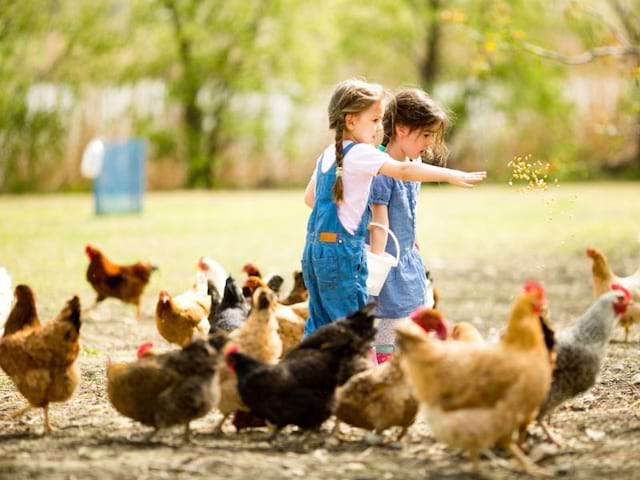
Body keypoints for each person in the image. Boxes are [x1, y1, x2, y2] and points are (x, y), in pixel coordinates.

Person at [301, 79, 486, 339]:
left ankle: (305, 373)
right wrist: (451, 175)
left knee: (318, 327)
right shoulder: (362, 153)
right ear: (351, 121)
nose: (380, 127)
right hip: (343, 256)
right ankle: (363, 373)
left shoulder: (329, 153)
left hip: (315, 252)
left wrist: (348, 211)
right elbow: (404, 171)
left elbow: (310, 199)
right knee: (354, 334)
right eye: (375, 120)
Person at [368, 88, 448, 363]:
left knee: (417, 340)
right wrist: (371, 279)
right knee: (389, 344)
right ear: (401, 128)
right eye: (425, 135)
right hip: (387, 271)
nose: (429, 143)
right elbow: (379, 226)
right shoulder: (381, 171)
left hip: (408, 263)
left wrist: (413, 242)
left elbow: (407, 213)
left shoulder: (415, 164)